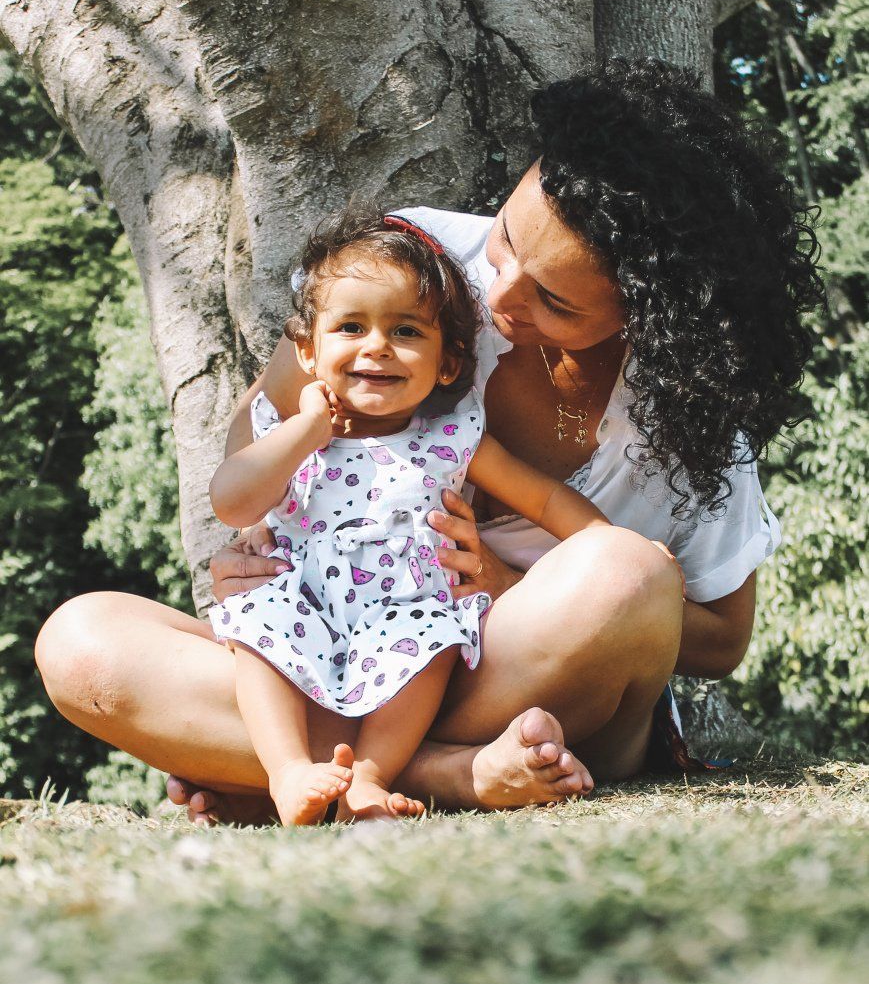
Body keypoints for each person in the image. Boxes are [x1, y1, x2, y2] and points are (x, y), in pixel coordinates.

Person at [34, 59, 821, 825]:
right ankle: (438, 772)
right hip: (333, 643)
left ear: (649, 312)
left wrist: (508, 584)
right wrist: (257, 530)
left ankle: (284, 766)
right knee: (83, 643)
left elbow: (720, 638)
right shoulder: (408, 270)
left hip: (517, 671)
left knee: (624, 571)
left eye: (553, 301)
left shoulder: (693, 408)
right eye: (508, 239)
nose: (498, 295)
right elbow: (260, 417)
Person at [208, 206, 611, 823]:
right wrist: (308, 428)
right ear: (309, 353)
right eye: (350, 327)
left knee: (434, 638)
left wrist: (601, 546)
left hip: (404, 614)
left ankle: (370, 776)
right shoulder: (289, 432)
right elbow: (232, 500)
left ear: (447, 363)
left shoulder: (452, 438)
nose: (377, 347)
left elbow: (547, 498)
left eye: (406, 332)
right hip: (301, 604)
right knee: (256, 626)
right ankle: (287, 771)